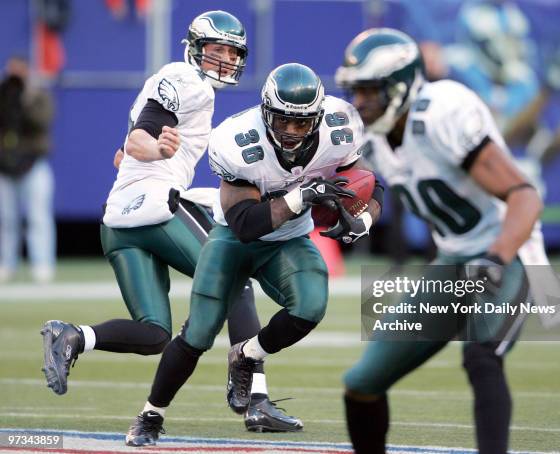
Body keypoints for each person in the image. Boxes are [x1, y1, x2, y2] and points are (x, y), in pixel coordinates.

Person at [40, 10, 301, 438]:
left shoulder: (171, 82)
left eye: (231, 52)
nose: (225, 60)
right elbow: (137, 140)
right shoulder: (186, 79)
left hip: (118, 221)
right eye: (216, 50)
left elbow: (120, 155)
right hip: (156, 206)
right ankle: (256, 399)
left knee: (154, 334)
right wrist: (156, 151)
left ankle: (72, 337)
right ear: (195, 49)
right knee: (235, 278)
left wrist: (146, 150)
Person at [124, 62, 384, 446]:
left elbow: (368, 184)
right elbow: (245, 223)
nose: (292, 131)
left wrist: (366, 220)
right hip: (233, 240)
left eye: (301, 123)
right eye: (283, 121)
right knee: (198, 333)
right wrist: (299, 198)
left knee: (311, 306)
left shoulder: (339, 127)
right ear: (265, 113)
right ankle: (150, 415)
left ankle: (246, 354)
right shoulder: (237, 139)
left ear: (317, 118)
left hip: (289, 241)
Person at [335, 28, 546, 454]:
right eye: (356, 91)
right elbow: (366, 189)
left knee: (481, 354)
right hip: (453, 259)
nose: (360, 102)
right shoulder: (372, 137)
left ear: (399, 84)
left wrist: (496, 257)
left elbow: (525, 196)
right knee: (362, 383)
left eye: (369, 90)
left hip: (509, 251)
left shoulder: (442, 111)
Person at [0, 55, 55, 283]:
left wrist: (25, 99)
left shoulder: (38, 96)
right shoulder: (3, 96)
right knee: (6, 218)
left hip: (33, 164)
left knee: (38, 217)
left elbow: (43, 122)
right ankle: (7, 264)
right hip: (5, 166)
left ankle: (42, 264)